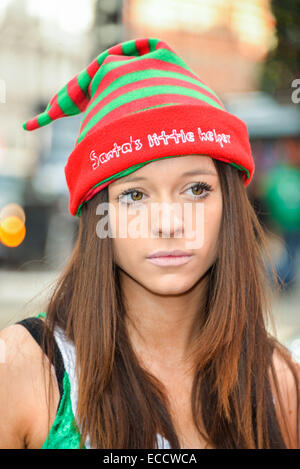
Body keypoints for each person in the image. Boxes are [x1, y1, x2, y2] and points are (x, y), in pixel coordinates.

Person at [0, 37, 299, 449]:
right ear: (98, 215)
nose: (170, 223)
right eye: (135, 195)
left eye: (196, 188)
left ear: (230, 203)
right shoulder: (20, 371)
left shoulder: (280, 384)